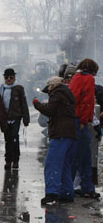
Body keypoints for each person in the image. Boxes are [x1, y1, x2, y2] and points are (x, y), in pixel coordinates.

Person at [34, 76, 78, 206]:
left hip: (60, 134)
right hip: (70, 134)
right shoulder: (67, 94)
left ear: (52, 86)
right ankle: (67, 193)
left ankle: (52, 194)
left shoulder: (57, 94)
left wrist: (37, 104)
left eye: (48, 89)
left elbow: (50, 111)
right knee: (64, 165)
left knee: (52, 164)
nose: (48, 92)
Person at [68, 58, 99, 199]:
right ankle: (81, 187)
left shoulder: (76, 77)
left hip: (73, 118)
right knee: (82, 156)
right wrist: (84, 120)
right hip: (80, 121)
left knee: (81, 155)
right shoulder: (88, 79)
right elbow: (86, 102)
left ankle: (83, 187)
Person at [0, 67, 30, 171]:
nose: (8, 79)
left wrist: (26, 119)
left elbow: (24, 104)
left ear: (14, 78)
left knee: (14, 137)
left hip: (16, 117)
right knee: (7, 139)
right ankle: (8, 160)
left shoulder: (19, 89)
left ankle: (15, 160)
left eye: (11, 77)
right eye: (6, 77)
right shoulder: (1, 89)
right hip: (5, 118)